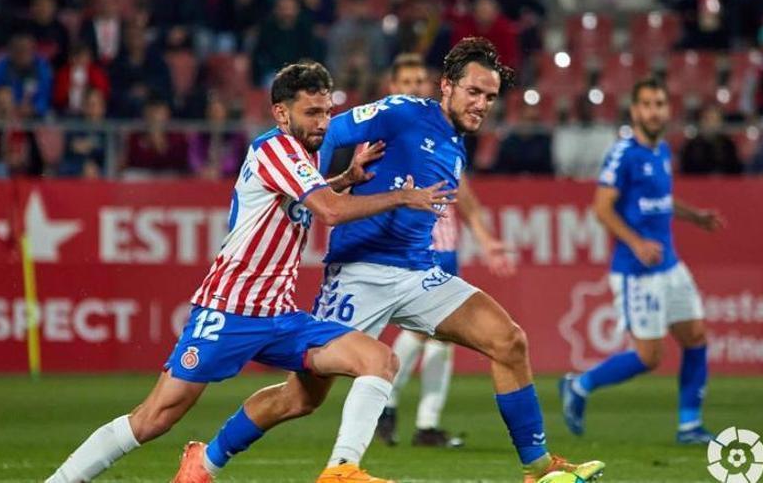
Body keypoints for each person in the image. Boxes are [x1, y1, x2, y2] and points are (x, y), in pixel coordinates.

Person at [44, 61, 455, 483]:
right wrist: (400, 196)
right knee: (153, 419)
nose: (323, 122)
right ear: (281, 113)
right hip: (229, 311)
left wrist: (346, 176)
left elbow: (305, 196)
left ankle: (340, 471)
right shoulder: (274, 149)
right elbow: (329, 212)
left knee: (376, 360)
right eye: (312, 113)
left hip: (279, 316)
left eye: (327, 111)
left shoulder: (306, 155)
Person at [311, 37, 605, 482]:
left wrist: (485, 237)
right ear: (446, 86)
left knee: (509, 341)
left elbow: (461, 197)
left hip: (417, 272)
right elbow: (331, 130)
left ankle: (539, 468)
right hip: (360, 270)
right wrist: (315, 189)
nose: (483, 104)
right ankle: (211, 458)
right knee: (303, 395)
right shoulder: (402, 112)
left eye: (489, 97)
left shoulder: (454, 145)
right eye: (474, 92)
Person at [357, 53, 516, 448]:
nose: (412, 87)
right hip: (409, 244)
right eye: (405, 81)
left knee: (439, 339)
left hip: (444, 242)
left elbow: (461, 191)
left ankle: (424, 421)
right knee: (423, 335)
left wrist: (483, 235)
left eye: (418, 80)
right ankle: (390, 405)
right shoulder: (387, 130)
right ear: (392, 88)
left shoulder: (440, 130)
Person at [559, 77, 725, 445]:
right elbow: (601, 208)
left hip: (670, 265)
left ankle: (689, 425)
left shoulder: (662, 150)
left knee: (696, 336)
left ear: (667, 110)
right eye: (647, 104)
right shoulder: (623, 154)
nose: (654, 111)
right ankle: (579, 384)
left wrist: (695, 216)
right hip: (637, 272)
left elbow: (662, 201)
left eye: (660, 104)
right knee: (649, 357)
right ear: (635, 111)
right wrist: (635, 242)